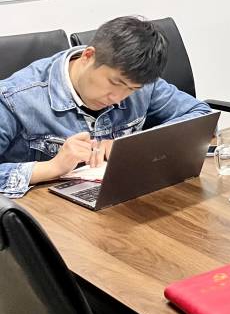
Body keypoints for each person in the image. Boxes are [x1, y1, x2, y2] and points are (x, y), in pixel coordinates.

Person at [0, 16, 212, 198]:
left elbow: (201, 116)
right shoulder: (14, 98)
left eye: (131, 89)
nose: (118, 97)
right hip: (47, 217)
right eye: (114, 83)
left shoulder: (141, 83)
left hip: (120, 200)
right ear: (88, 56)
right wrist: (52, 167)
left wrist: (130, 146)